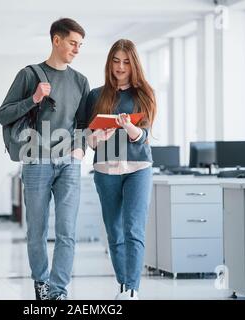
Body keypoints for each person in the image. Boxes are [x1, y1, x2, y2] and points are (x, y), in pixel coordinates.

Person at [0, 18, 90, 300]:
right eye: (73, 43)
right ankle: (41, 283)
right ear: (57, 40)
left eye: (80, 45)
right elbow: (3, 115)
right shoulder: (29, 75)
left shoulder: (80, 81)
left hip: (69, 163)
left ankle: (58, 290)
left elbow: (84, 124)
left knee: (66, 231)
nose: (77, 49)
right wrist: (34, 99)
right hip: (36, 160)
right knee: (36, 230)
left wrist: (80, 149)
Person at [85, 39, 157, 300]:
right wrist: (97, 137)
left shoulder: (144, 94)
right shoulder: (96, 95)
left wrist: (128, 127)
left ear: (133, 63)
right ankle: (123, 283)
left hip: (138, 167)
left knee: (133, 229)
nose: (120, 66)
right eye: (116, 60)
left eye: (126, 61)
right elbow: (88, 138)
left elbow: (144, 135)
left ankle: (131, 290)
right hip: (105, 168)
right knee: (114, 231)